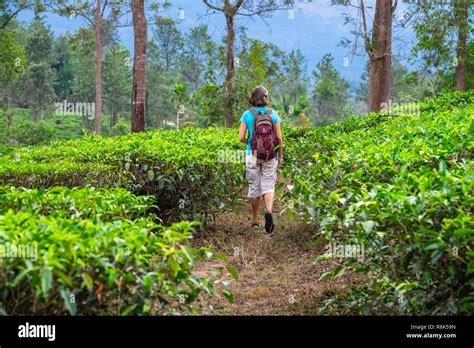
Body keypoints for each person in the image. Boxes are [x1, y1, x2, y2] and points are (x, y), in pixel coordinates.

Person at [238, 86, 283, 233]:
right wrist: (280, 155)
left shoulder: (247, 114)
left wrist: (251, 142)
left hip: (252, 154)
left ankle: (256, 219)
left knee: (254, 187)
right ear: (265, 97)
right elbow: (279, 139)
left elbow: (240, 137)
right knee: (268, 185)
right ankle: (268, 212)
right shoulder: (273, 114)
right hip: (270, 155)